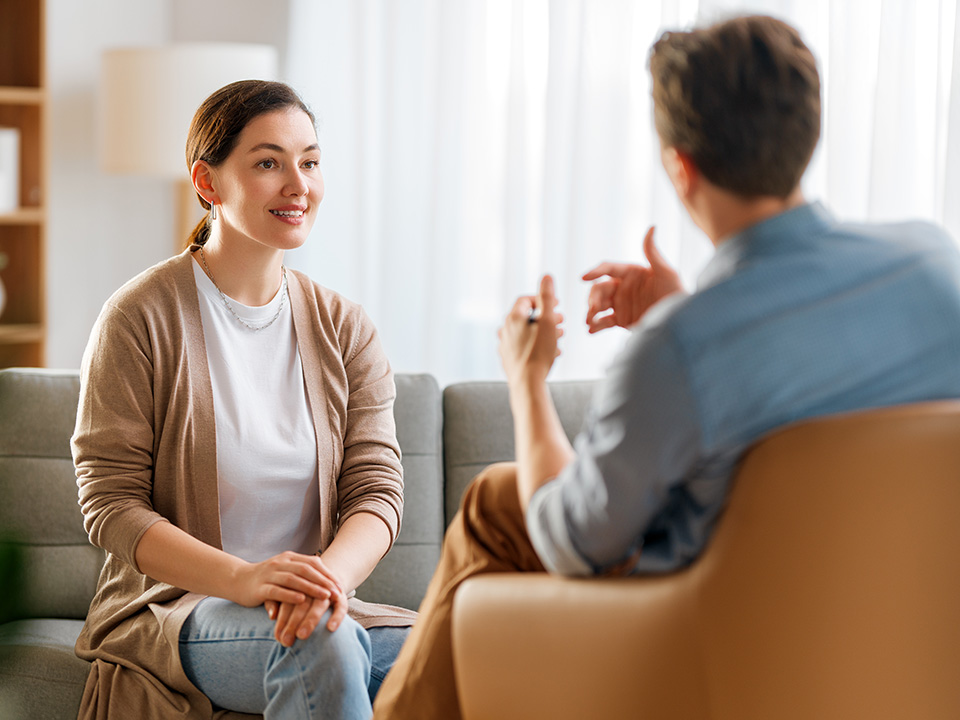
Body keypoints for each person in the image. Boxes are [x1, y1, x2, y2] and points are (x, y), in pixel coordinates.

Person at [372, 14, 960, 720]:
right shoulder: (935, 264)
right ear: (806, 133)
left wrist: (527, 379)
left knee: (493, 508)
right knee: (501, 494)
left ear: (681, 167)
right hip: (901, 630)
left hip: (717, 641)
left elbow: (571, 543)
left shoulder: (683, 346)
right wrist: (686, 309)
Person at [72, 80, 414, 720]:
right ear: (207, 182)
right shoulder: (139, 317)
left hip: (320, 606)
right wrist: (245, 580)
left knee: (468, 647)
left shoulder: (346, 328)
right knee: (325, 642)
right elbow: (109, 503)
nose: (299, 185)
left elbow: (376, 490)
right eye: (268, 162)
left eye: (310, 161)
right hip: (182, 609)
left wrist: (325, 583)